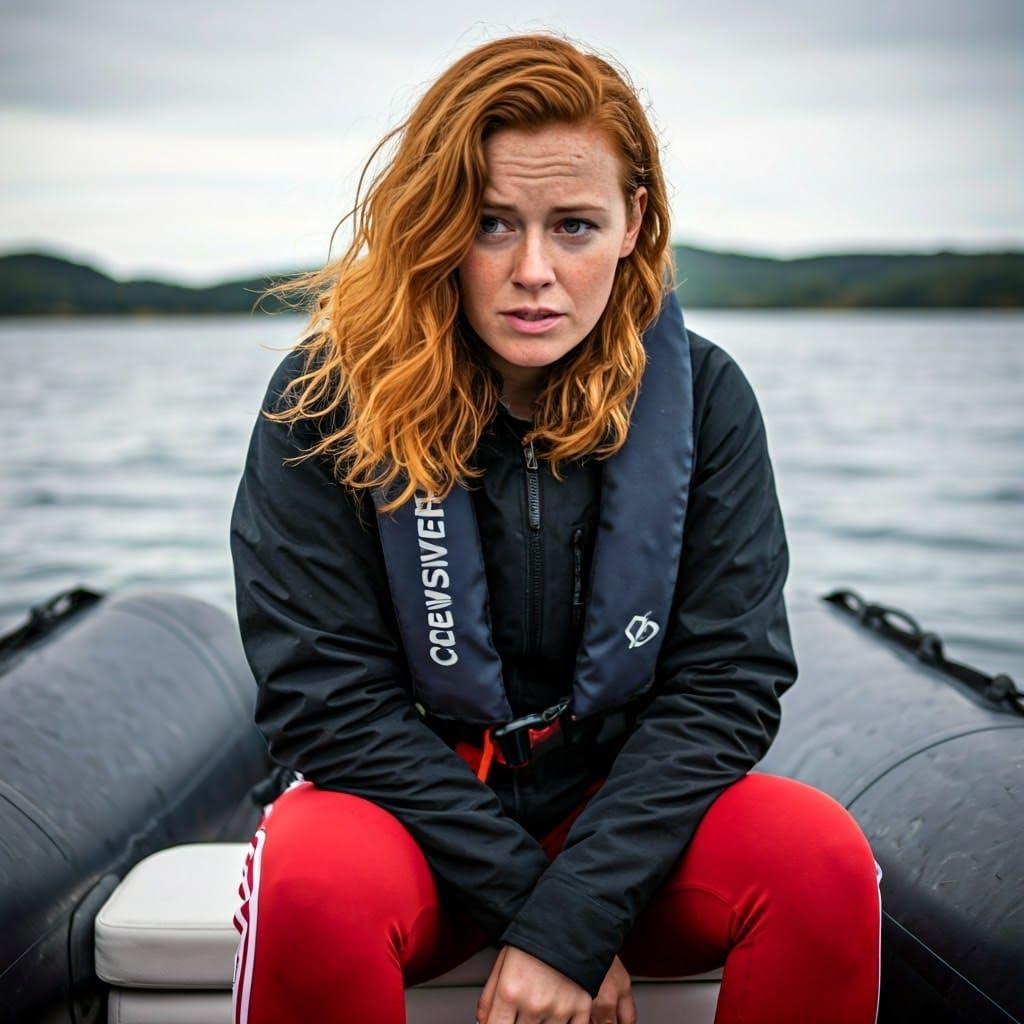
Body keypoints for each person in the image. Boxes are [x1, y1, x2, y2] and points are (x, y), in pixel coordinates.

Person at [229, 33, 881, 1024]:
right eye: (492, 225)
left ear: (633, 224)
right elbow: (325, 703)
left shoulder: (703, 398)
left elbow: (726, 684)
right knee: (311, 880)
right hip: (407, 815)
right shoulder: (323, 400)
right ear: (437, 227)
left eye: (573, 226)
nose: (533, 270)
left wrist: (575, 910)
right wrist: (545, 915)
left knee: (817, 857)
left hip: (622, 819)